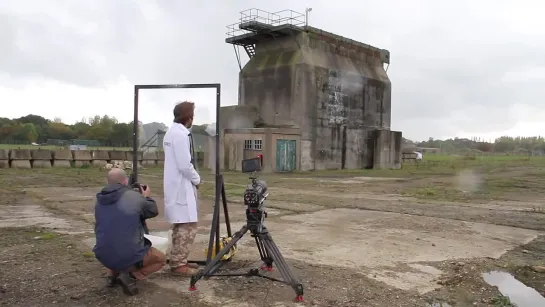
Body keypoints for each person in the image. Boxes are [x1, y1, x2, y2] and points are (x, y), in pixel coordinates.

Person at [93, 168, 166, 295]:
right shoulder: (133, 197)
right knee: (160, 259)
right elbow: (153, 211)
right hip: (128, 255)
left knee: (114, 239)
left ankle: (111, 276)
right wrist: (146, 197)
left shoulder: (100, 201)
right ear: (125, 181)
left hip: (102, 255)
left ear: (108, 182)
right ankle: (130, 276)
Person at [163, 101, 201, 276]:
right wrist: (197, 178)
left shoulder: (172, 133)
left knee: (181, 225)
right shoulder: (180, 135)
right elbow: (185, 164)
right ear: (189, 117)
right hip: (181, 187)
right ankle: (178, 264)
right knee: (187, 226)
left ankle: (179, 259)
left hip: (176, 186)